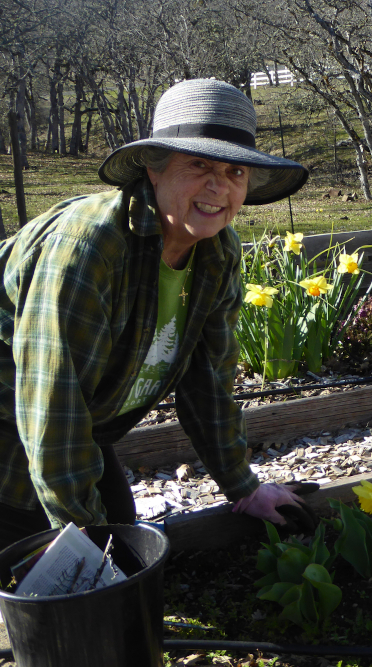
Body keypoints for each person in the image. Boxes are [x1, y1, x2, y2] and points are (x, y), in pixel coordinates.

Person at [0, 79, 313, 551]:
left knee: (119, 539)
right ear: (153, 169)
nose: (218, 186)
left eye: (235, 172)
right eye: (199, 164)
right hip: (14, 420)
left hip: (76, 424)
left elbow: (208, 382)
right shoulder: (90, 248)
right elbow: (53, 407)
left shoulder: (216, 252)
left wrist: (244, 488)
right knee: (55, 577)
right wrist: (85, 541)